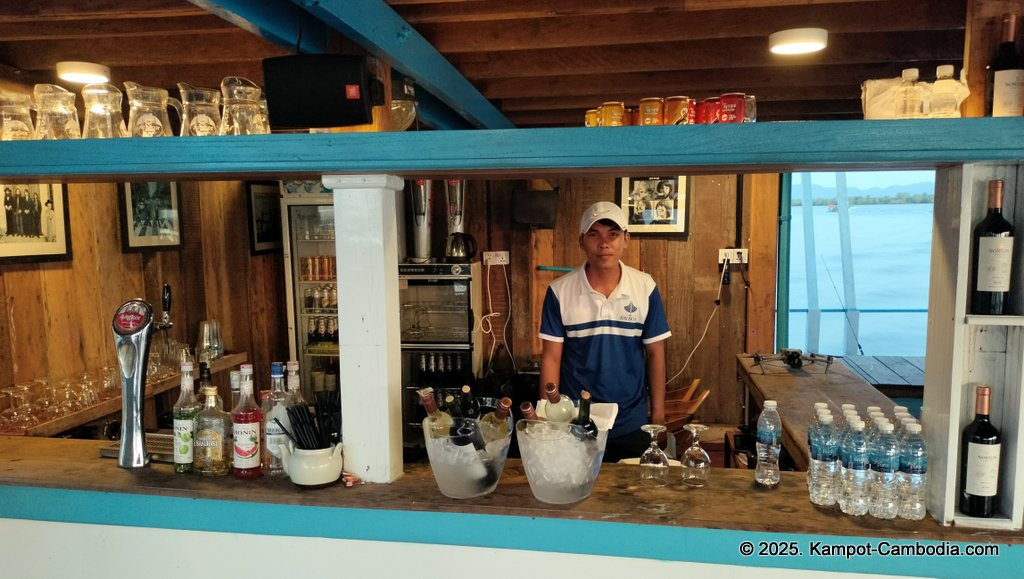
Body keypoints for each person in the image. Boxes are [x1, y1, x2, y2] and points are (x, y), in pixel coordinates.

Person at [539, 201, 671, 462]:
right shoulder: (559, 292)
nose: (604, 243)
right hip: (576, 421)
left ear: (626, 239)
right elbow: (551, 358)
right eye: (594, 234)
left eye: (613, 234)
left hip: (632, 421)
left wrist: (658, 416)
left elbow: (656, 353)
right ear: (581, 241)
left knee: (631, 497)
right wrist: (546, 417)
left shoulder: (645, 288)